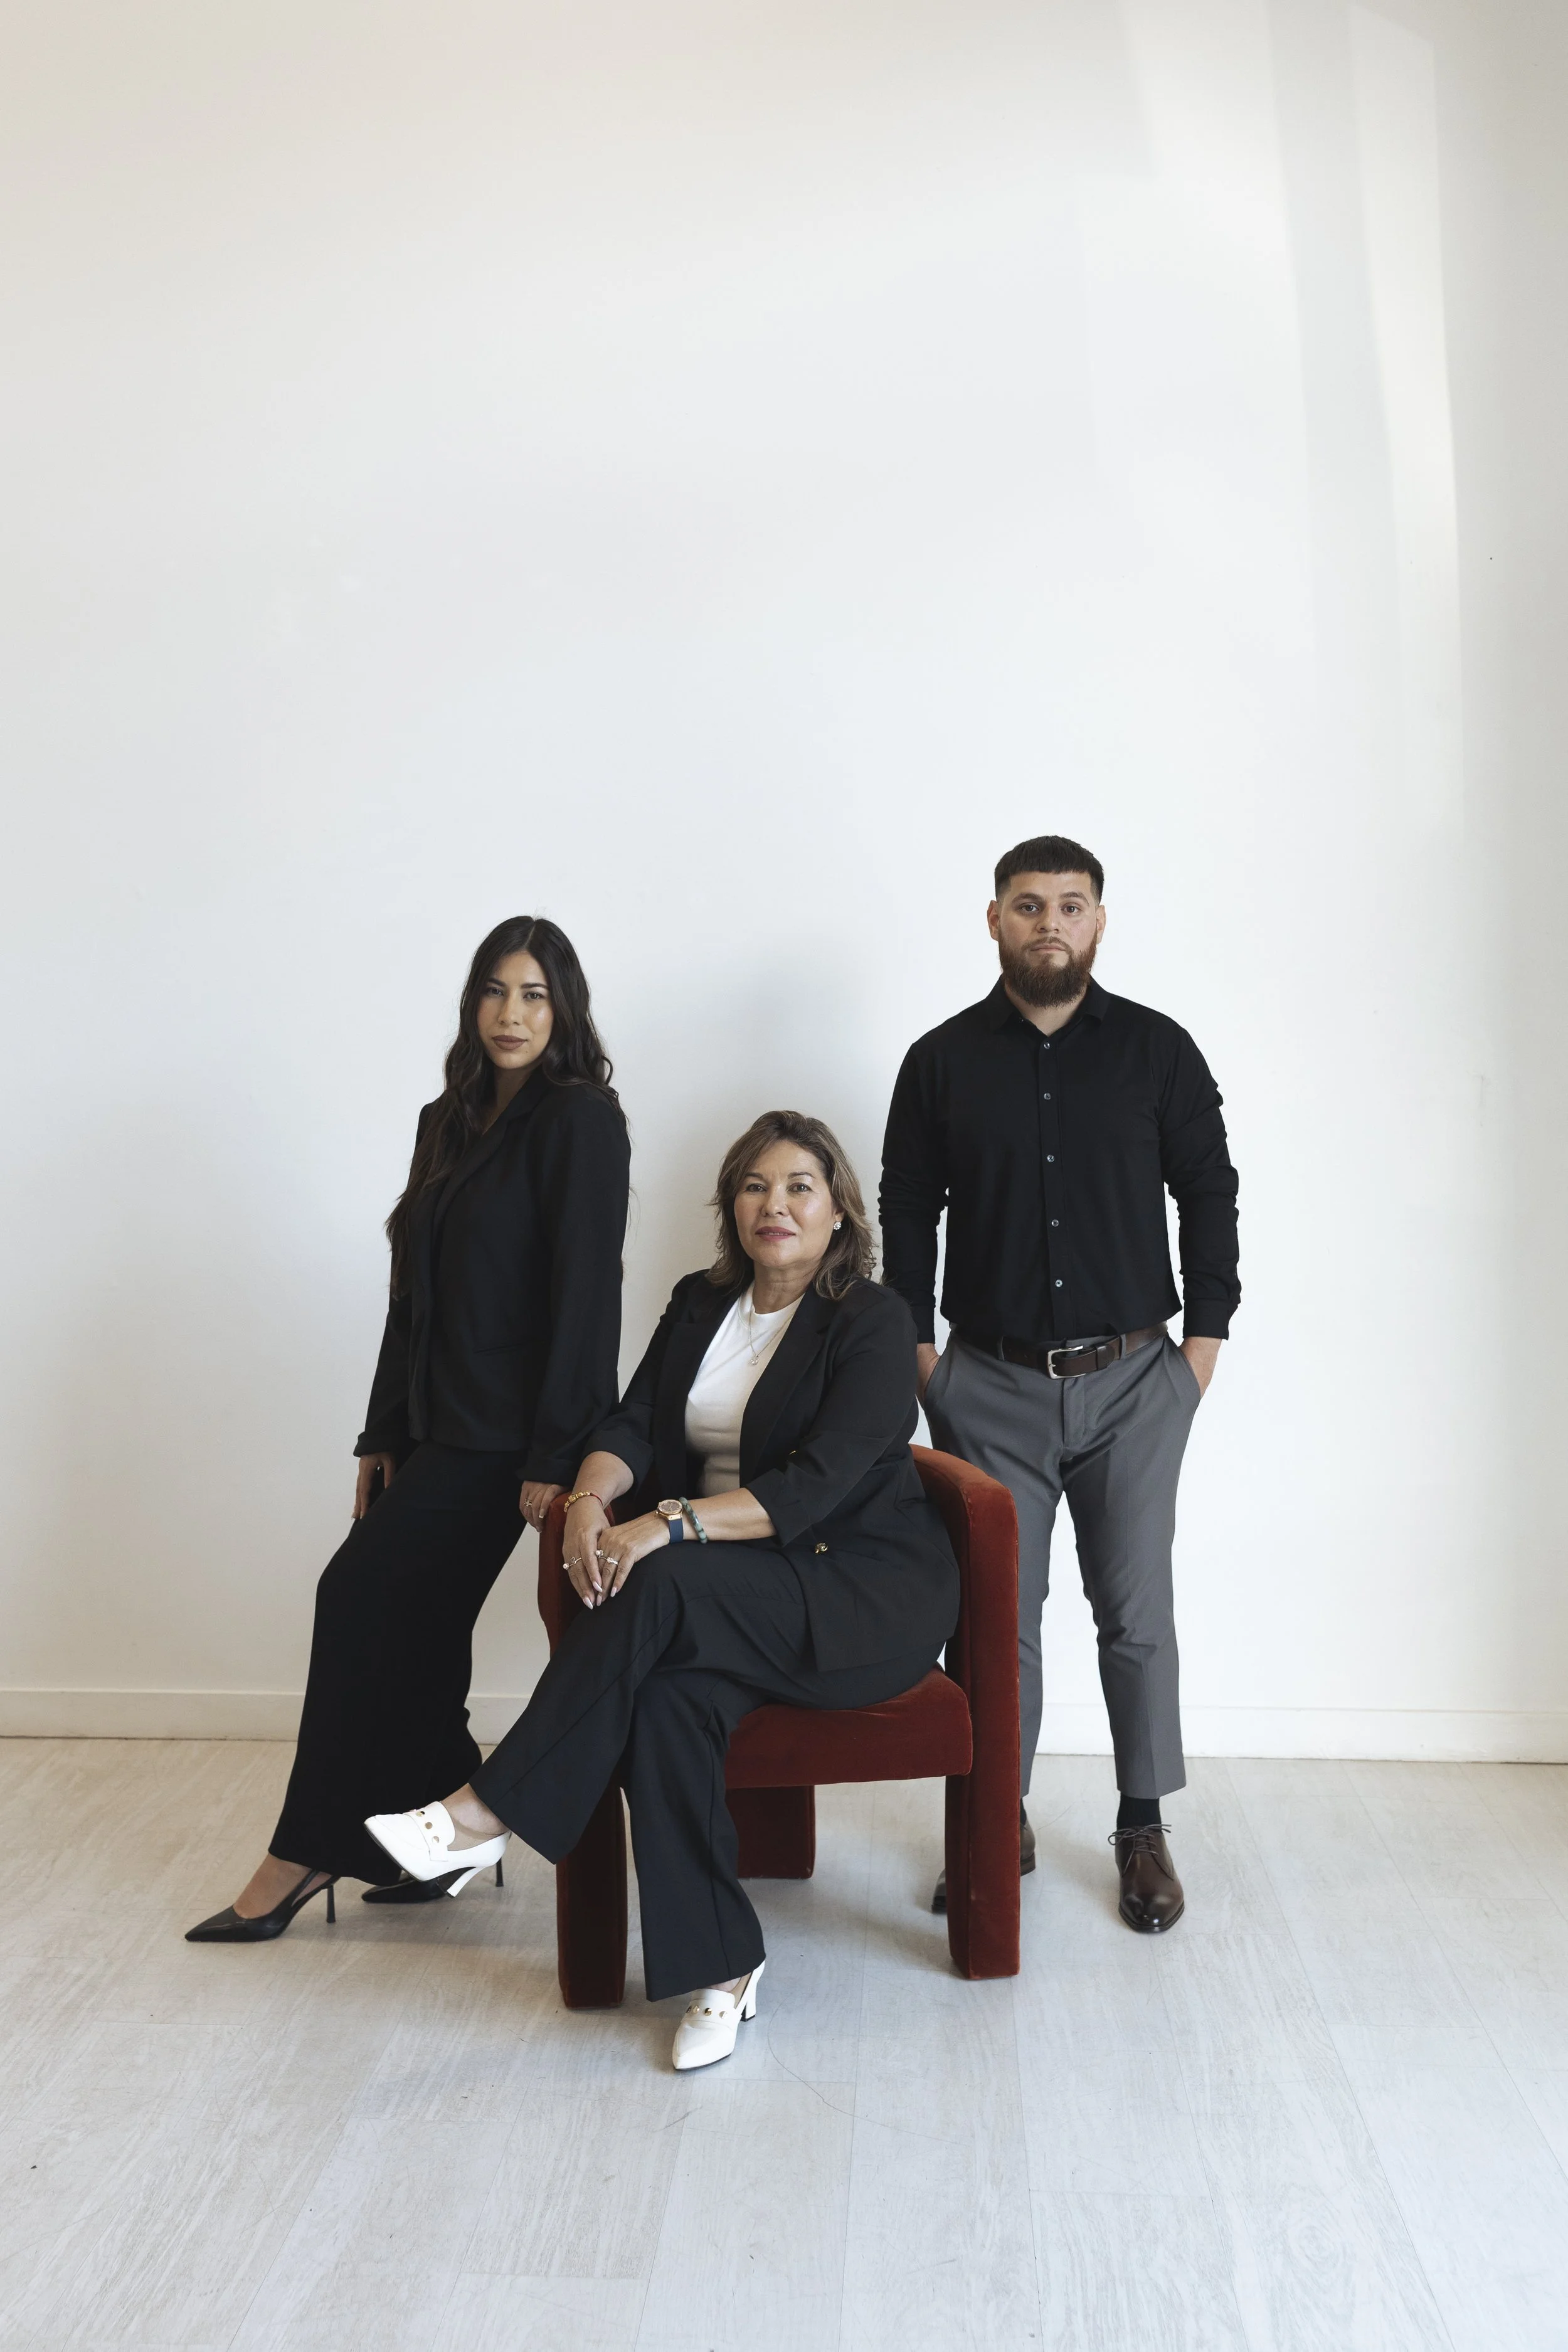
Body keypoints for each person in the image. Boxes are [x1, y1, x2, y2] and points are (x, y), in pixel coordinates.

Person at [363, 1111, 958, 2070]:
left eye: (800, 1185)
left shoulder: (873, 1322)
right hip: (736, 1593)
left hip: (858, 1598)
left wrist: (667, 1522)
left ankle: (488, 1809)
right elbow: (633, 1419)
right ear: (732, 1204)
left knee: (668, 1579)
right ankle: (723, 1968)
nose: (776, 1204)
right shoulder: (700, 1303)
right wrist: (593, 1501)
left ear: (840, 1213)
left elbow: (818, 1483)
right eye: (756, 1185)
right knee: (669, 1702)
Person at [186, 915, 630, 1942]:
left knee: (354, 1599)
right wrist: (381, 1433)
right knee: (415, 1626)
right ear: (472, 1004)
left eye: (534, 995)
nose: (511, 1014)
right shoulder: (449, 1117)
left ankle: (303, 1851)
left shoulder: (581, 1121)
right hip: (433, 1427)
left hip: (510, 1439)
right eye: (494, 991)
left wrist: (558, 1454)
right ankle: (444, 1821)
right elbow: (409, 1293)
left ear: (562, 1010)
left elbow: (585, 1297)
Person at [879, 836, 1239, 1932]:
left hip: (1137, 1379)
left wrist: (1202, 1348)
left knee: (1134, 1611)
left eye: (1071, 906)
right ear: (993, 920)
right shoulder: (938, 1062)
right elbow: (905, 1213)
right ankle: (1000, 1813)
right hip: (986, 1384)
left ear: (1099, 922)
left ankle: (1142, 1824)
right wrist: (923, 1355)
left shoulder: (1158, 1052)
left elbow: (1210, 1192)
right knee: (997, 1619)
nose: (1050, 923)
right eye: (1028, 904)